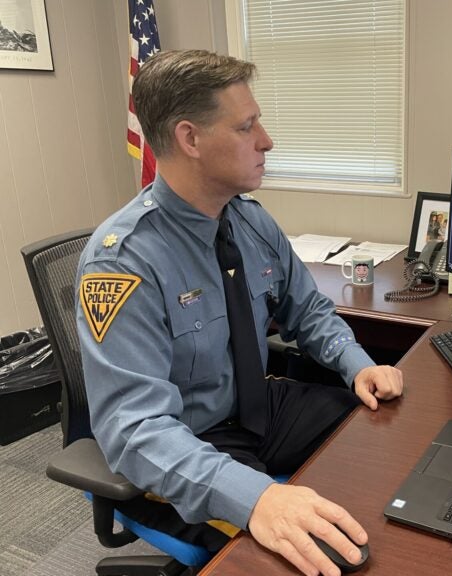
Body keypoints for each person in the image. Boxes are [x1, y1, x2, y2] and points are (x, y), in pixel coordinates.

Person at [76, 49, 403, 576]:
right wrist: (257, 500)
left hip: (259, 408)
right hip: (186, 443)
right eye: (247, 126)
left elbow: (311, 310)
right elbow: (136, 431)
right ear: (190, 139)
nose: (267, 140)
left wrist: (358, 364)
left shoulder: (249, 220)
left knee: (385, 445)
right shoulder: (123, 262)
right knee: (328, 554)